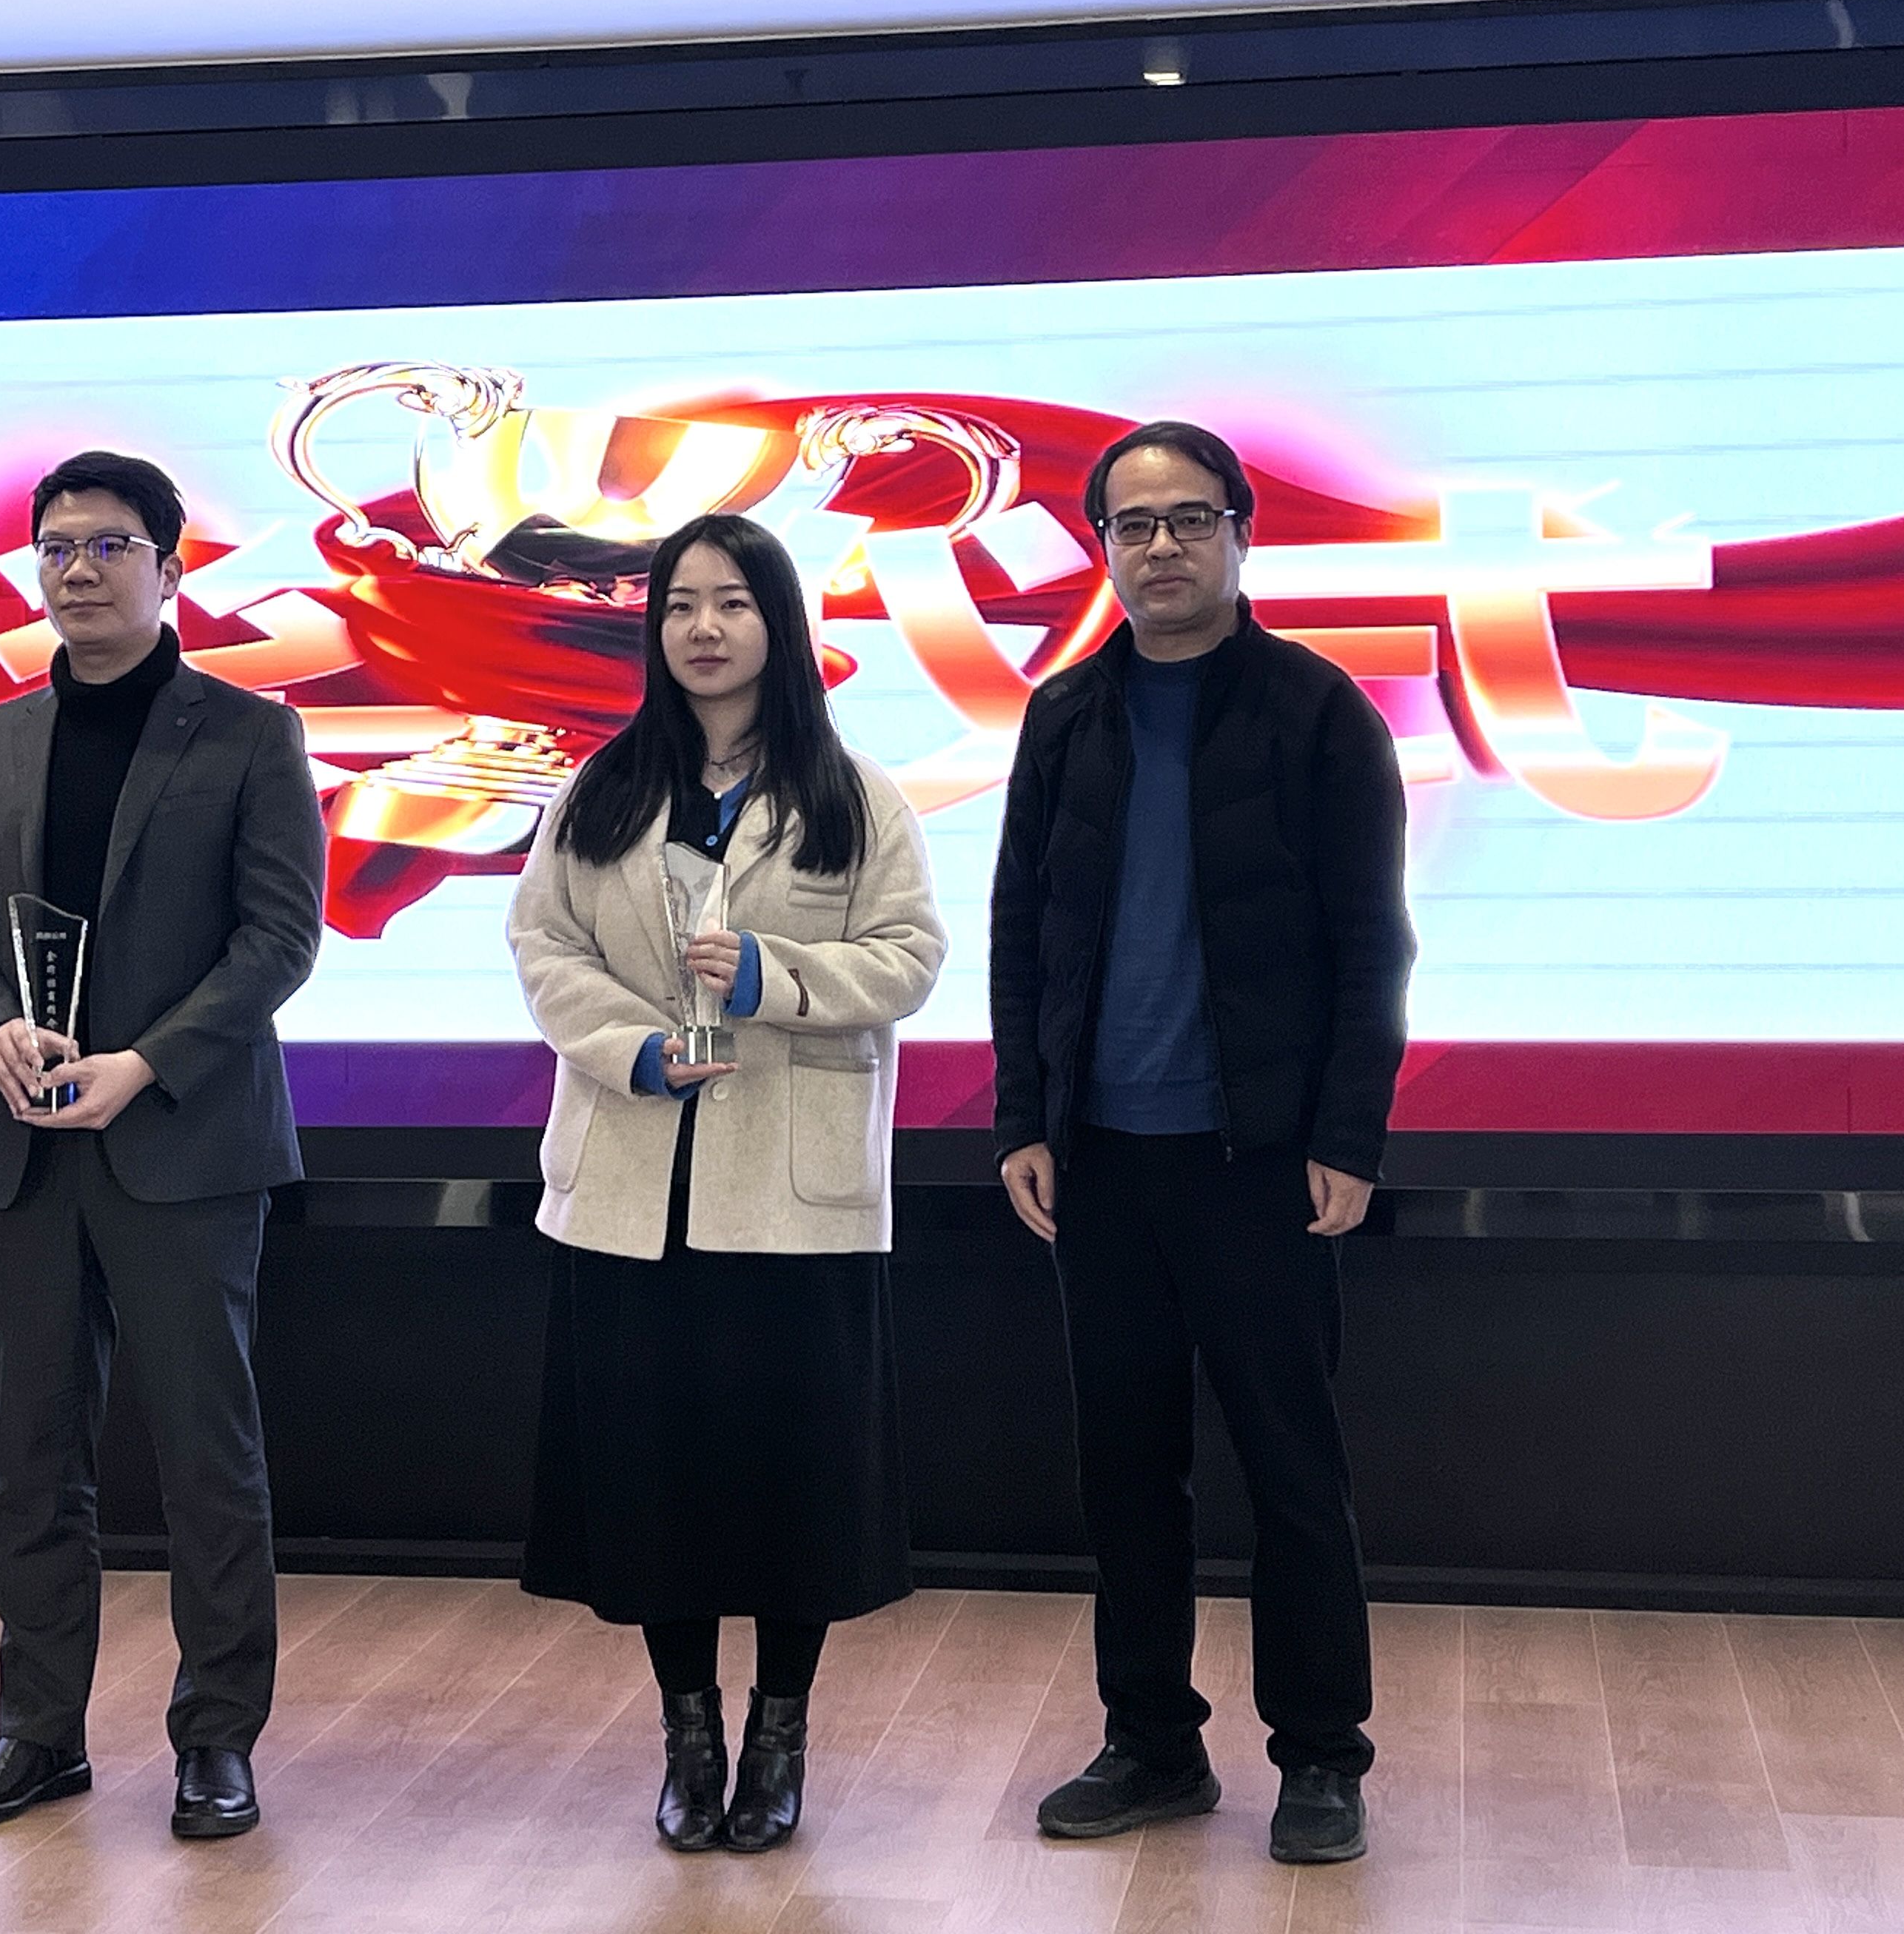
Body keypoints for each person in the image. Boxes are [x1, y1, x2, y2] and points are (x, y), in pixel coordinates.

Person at [988, 421, 1414, 1866]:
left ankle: (1322, 1756)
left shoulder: (1316, 711)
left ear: (1239, 534)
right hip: (1101, 1159)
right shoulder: (1066, 715)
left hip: (1259, 1162)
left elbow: (1372, 942)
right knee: (1126, 1472)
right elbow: (1022, 931)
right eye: (1133, 524)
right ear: (1103, 546)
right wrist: (1024, 1116)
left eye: (1188, 519)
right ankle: (1153, 1743)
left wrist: (1347, 1131)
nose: (1160, 546)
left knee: (1292, 1469)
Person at [509, 511, 948, 1854]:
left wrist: (773, 978)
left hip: (791, 1199)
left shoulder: (854, 794)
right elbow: (544, 947)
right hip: (633, 1188)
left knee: (793, 1485)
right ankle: (688, 1734)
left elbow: (911, 956)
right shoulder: (603, 787)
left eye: (733, 603)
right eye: (681, 606)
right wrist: (634, 1049)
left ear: (779, 624)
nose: (703, 628)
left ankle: (780, 1733)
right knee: (655, 1484)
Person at [0, 449, 327, 1841]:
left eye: (108, 545)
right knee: (32, 1459)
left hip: (183, 1143)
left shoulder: (251, 734)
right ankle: (38, 1735)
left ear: (170, 567)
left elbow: (279, 940)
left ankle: (217, 1738)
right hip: (25, 1144)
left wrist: (143, 1065)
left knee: (208, 1459)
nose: (78, 569)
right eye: (57, 547)